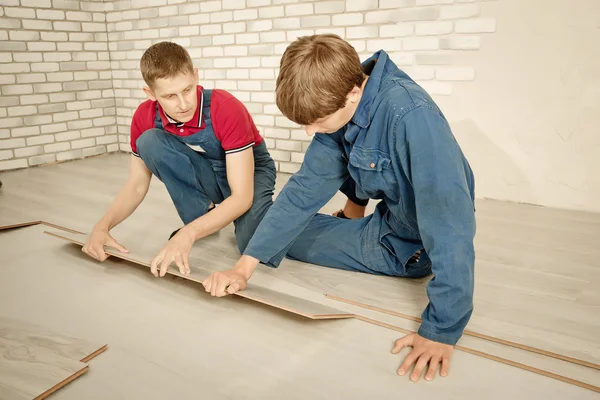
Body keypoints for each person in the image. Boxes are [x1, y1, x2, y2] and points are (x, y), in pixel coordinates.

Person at [202, 34, 476, 382]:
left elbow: (450, 223)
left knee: (259, 234)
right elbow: (305, 188)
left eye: (316, 122)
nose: (308, 131)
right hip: (387, 225)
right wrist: (243, 269)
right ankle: (331, 227)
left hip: (410, 249)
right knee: (255, 236)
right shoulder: (342, 94)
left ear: (353, 93)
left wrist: (441, 329)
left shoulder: (411, 116)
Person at [82, 42, 276, 278]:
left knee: (254, 245)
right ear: (150, 94)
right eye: (170, 96)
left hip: (249, 171)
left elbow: (242, 197)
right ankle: (207, 212)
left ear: (195, 76)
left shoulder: (225, 107)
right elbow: (136, 185)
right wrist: (103, 226)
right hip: (208, 168)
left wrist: (188, 233)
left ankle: (289, 213)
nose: (183, 104)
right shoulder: (144, 117)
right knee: (149, 141)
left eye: (187, 90)